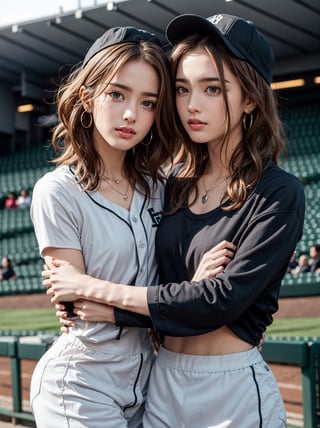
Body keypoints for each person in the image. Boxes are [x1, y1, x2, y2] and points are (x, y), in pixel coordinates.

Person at [43, 13, 305, 428]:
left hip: (230, 391)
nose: (192, 105)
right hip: (160, 384)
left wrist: (101, 298)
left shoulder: (278, 192)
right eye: (182, 89)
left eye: (212, 89)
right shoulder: (170, 185)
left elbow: (217, 301)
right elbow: (168, 291)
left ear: (251, 98)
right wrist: (184, 293)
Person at [31, 25, 235, 428]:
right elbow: (76, 305)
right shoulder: (57, 191)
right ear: (87, 98)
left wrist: (193, 294)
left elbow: (101, 297)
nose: (131, 115)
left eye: (147, 102)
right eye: (117, 94)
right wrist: (182, 301)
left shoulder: (163, 187)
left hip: (149, 386)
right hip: (80, 384)